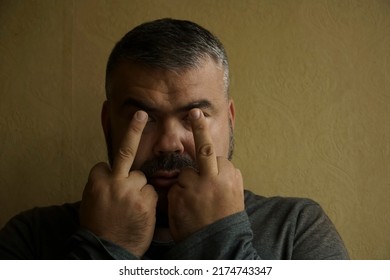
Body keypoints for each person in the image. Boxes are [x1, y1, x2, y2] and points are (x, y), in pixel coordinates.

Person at [0, 18, 349, 260]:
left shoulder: (297, 228)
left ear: (229, 121)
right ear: (109, 125)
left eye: (194, 116)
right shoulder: (32, 237)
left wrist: (220, 240)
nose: (169, 143)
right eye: (144, 117)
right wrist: (104, 249)